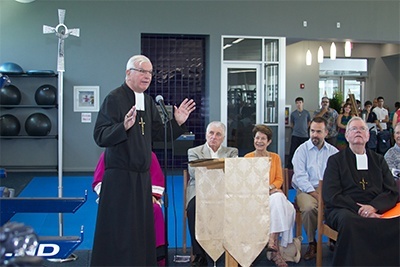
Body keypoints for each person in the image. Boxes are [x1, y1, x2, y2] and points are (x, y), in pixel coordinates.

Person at [91, 55, 196, 266]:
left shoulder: (147, 101)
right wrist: (124, 126)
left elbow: (159, 135)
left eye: (149, 72)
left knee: (140, 228)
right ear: (128, 73)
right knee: (120, 229)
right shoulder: (114, 98)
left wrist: (176, 122)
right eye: (142, 71)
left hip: (141, 178)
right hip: (120, 177)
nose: (147, 76)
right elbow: (100, 136)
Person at [322, 116, 399, 266]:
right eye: (354, 129)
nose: (358, 131)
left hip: (376, 208)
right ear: (346, 135)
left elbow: (391, 190)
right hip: (344, 209)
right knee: (350, 222)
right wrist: (360, 209)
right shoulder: (335, 160)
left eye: (362, 128)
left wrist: (373, 207)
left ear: (368, 135)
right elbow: (331, 194)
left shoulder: (379, 160)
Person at [92, 151, 167, 266]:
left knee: (155, 209)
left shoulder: (148, 154)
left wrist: (151, 195)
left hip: (142, 198)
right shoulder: (108, 154)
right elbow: (99, 181)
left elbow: (156, 178)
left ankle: (157, 255)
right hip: (116, 199)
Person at [186, 121, 238, 267]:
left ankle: (234, 252)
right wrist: (220, 168)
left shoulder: (231, 152)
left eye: (218, 134)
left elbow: (232, 172)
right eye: (211, 133)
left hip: (223, 192)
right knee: (193, 209)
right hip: (199, 191)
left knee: (237, 208)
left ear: (223, 137)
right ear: (206, 134)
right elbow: (194, 173)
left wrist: (207, 167)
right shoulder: (194, 151)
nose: (214, 137)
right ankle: (199, 255)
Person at [244, 124, 296, 267]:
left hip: (272, 194)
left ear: (269, 142)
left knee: (279, 200)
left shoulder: (275, 157)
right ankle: (275, 251)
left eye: (263, 138)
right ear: (253, 139)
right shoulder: (247, 157)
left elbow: (279, 179)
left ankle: (271, 240)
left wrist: (270, 188)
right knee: (281, 202)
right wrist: (266, 190)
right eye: (257, 138)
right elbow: (246, 181)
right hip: (255, 197)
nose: (259, 141)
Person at [291, 117, 338, 261]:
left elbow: (337, 177)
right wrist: (317, 195)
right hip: (305, 190)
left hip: (327, 190)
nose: (314, 135)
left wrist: (325, 194)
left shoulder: (333, 152)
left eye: (318, 131)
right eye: (312, 131)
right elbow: (300, 177)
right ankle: (312, 242)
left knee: (341, 206)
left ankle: (334, 238)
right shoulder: (302, 150)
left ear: (326, 133)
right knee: (309, 208)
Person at [287, 97, 311, 169]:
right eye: (297, 103)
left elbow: (309, 122)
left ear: (302, 103)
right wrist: (295, 128)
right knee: (293, 151)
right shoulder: (293, 114)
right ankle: (290, 166)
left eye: (300, 103)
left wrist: (306, 128)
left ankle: (305, 166)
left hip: (305, 135)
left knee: (305, 151)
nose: (298, 104)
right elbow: (291, 123)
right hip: (295, 135)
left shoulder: (306, 113)